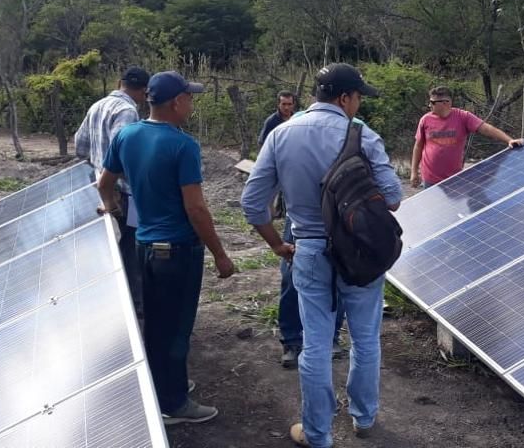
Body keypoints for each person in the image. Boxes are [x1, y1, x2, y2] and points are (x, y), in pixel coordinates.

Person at [241, 63, 402, 448]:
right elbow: (394, 198)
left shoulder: (281, 134)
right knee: (365, 339)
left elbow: (252, 204)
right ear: (345, 98)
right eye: (358, 97)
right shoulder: (363, 135)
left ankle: (317, 434)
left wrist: (278, 245)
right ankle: (364, 418)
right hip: (361, 252)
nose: (358, 105)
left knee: (315, 343)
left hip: (309, 249)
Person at [97, 70, 236, 425]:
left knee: (157, 322)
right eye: (189, 96)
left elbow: (104, 182)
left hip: (145, 245)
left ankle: (164, 383)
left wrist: (112, 208)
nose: (191, 102)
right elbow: (196, 208)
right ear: (177, 102)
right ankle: (173, 404)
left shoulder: (127, 135)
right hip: (177, 250)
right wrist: (220, 254)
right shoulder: (183, 145)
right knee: (175, 327)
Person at [256, 90, 346, 369]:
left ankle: (323, 338)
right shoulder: (281, 129)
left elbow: (251, 202)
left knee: (329, 280)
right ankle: (295, 341)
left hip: (327, 224)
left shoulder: (348, 131)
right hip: (304, 224)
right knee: (301, 281)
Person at [74, 66, 150, 317]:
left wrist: (98, 168)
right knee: (133, 244)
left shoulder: (98, 105)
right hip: (123, 192)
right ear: (143, 91)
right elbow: (122, 154)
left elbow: (80, 144)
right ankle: (136, 303)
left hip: (101, 187)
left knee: (114, 245)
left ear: (120, 83)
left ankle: (121, 299)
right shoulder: (127, 111)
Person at [410, 86, 524, 188]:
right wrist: (414, 172)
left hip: (453, 179)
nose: (429, 105)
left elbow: (486, 129)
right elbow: (418, 146)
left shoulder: (463, 117)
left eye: (433, 102)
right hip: (430, 179)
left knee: (452, 211)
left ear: (446, 103)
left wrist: (509, 140)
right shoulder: (425, 120)